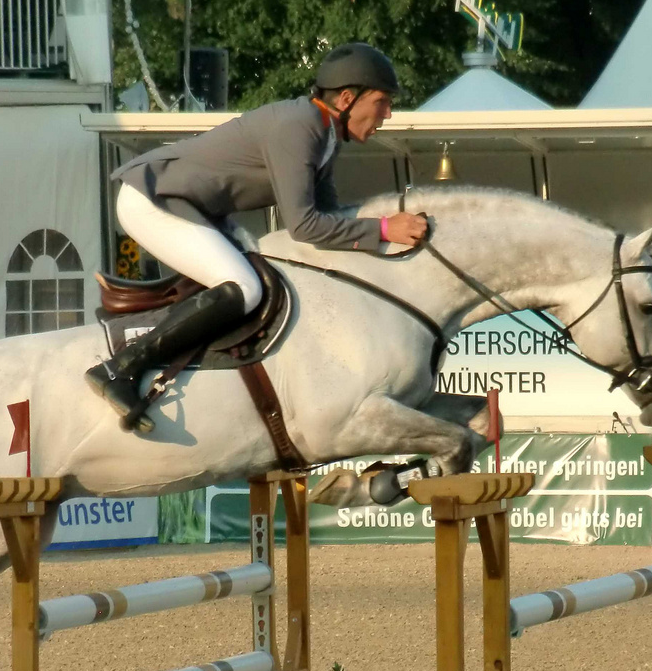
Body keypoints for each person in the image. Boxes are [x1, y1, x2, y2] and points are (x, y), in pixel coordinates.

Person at [87, 42, 430, 429]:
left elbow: (332, 214)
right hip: (153, 199)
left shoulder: (324, 133)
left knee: (263, 275)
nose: (387, 113)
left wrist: (385, 223)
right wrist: (384, 228)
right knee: (244, 287)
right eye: (382, 102)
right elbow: (306, 227)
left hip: (192, 205)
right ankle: (121, 368)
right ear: (348, 98)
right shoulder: (300, 128)